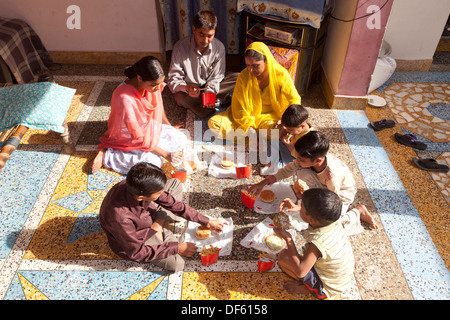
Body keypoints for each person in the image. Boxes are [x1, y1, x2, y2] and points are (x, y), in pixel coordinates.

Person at [99, 162, 223, 272]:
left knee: (175, 183)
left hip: (147, 214)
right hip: (139, 236)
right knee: (177, 264)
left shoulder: (135, 184)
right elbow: (136, 253)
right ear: (140, 197)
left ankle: (159, 224)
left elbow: (173, 204)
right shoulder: (120, 218)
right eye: (158, 193)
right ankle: (164, 234)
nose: (161, 194)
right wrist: (177, 248)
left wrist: (206, 221)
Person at [248, 131, 379, 234]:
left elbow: (330, 204)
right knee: (300, 171)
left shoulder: (333, 177)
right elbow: (286, 171)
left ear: (318, 160)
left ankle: (358, 212)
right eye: (297, 157)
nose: (297, 161)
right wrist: (263, 183)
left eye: (301, 159)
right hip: (321, 186)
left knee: (329, 224)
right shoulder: (306, 160)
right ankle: (309, 200)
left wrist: (301, 207)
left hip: (340, 195)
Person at [91, 56, 187, 175]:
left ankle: (157, 146)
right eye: (154, 85)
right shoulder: (125, 99)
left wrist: (167, 126)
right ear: (139, 78)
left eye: (160, 83)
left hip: (146, 128)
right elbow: (137, 137)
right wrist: (165, 154)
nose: (158, 88)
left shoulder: (151, 85)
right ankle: (109, 154)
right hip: (129, 137)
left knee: (180, 139)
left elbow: (158, 106)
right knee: (152, 164)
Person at [208, 41, 301, 141]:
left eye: (255, 65)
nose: (251, 70)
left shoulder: (281, 75)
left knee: (284, 131)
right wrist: (248, 127)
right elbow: (238, 106)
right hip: (246, 117)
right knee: (214, 123)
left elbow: (294, 101)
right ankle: (258, 137)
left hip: (270, 119)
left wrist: (284, 121)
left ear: (266, 61)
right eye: (248, 65)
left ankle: (256, 137)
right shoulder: (244, 76)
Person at [275, 188, 354, 299]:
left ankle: (309, 289)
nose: (299, 207)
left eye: (301, 206)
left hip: (328, 287)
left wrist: (288, 239)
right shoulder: (331, 219)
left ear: (311, 219)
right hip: (341, 278)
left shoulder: (318, 242)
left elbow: (300, 271)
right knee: (300, 257)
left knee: (284, 257)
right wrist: (298, 207)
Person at [167, 10, 238, 119]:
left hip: (210, 87)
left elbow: (217, 76)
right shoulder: (180, 48)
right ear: (194, 29)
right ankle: (216, 105)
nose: (205, 40)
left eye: (210, 36)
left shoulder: (219, 47)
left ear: (214, 33)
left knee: (238, 78)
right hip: (190, 91)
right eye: (201, 34)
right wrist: (186, 88)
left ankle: (210, 104)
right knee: (179, 97)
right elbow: (173, 79)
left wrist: (209, 93)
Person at [261, 104, 313, 175]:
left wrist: (288, 145)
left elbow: (300, 156)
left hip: (295, 155)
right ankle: (269, 163)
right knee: (272, 141)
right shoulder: (297, 126)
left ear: (302, 126)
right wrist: (283, 127)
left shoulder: (308, 138)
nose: (288, 130)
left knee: (281, 169)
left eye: (290, 129)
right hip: (288, 146)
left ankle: (273, 164)